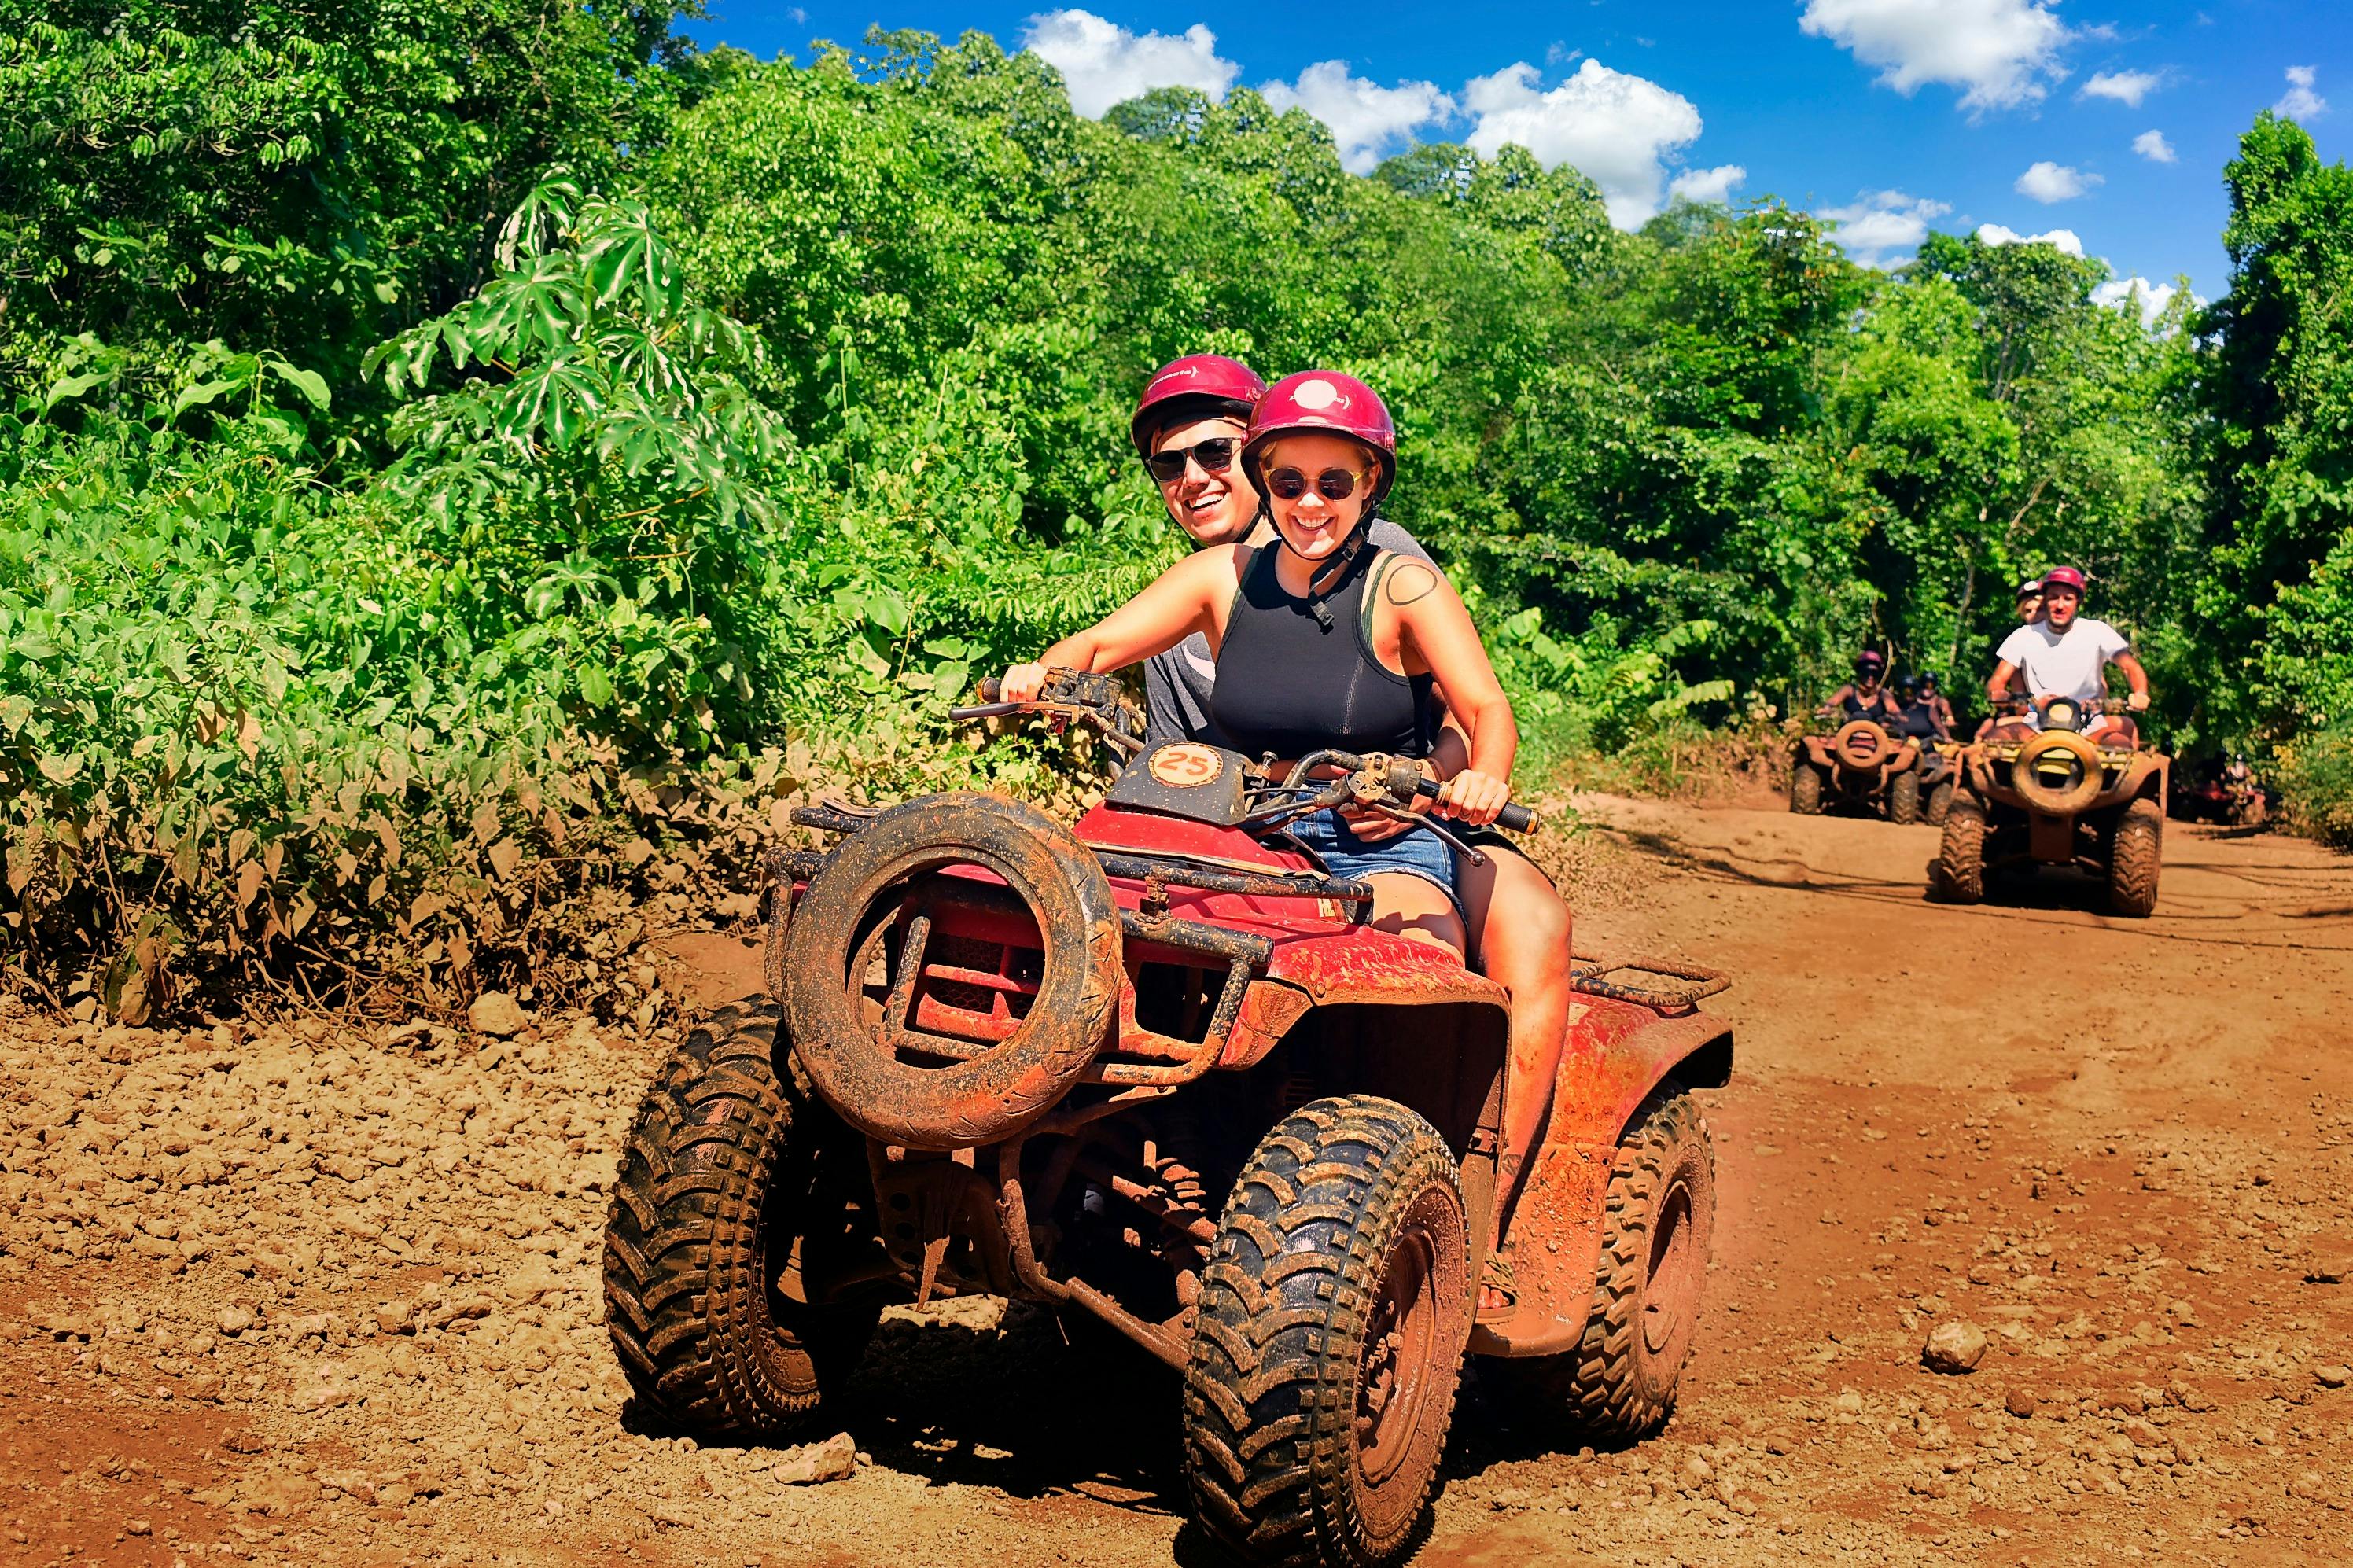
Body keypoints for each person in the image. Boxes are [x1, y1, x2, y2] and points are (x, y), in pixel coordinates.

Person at [1003, 368, 1544, 1315]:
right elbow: (1098, 643)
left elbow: (1484, 708)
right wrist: (1044, 672)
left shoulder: (1403, 579)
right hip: (1247, 830)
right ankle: (1105, 1150)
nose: (1309, 503)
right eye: (1288, 481)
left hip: (1375, 837)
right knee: (1129, 940)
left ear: (1369, 482)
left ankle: (1433, 1218)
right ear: (1266, 479)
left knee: (1412, 973)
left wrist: (1476, 775)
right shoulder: (1220, 576)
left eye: (1334, 482)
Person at [1986, 566, 2150, 744]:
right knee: (1995, 739)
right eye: (2053, 597)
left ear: (2078, 602)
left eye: (2068, 599)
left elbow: (2130, 667)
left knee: (2119, 743)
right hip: (2038, 722)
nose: (2060, 606)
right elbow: (1998, 680)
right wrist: (1998, 694)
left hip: (2090, 723)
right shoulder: (2023, 636)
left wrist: (2140, 693)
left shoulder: (2097, 631)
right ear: (2045, 600)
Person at [1821, 650, 1898, 723]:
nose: (1870, 677)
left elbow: (1896, 712)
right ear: (1859, 673)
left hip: (1875, 732)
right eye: (1866, 672)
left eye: (1875, 673)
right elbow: (1831, 703)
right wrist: (1828, 709)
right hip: (1849, 731)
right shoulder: (1849, 690)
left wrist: (1890, 719)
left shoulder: (1883, 694)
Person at [1891, 675, 1946, 744]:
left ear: (1917, 692)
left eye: (1911, 691)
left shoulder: (1928, 708)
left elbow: (1939, 726)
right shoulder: (1893, 708)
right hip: (1899, 744)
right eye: (1905, 691)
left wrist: (1947, 737)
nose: (1908, 694)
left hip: (1925, 744)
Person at [1916, 671, 1957, 736]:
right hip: (1914, 731)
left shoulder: (1940, 701)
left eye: (1930, 683)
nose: (1928, 685)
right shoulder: (1915, 699)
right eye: (1926, 683)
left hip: (1934, 733)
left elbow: (1949, 716)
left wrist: (1950, 720)